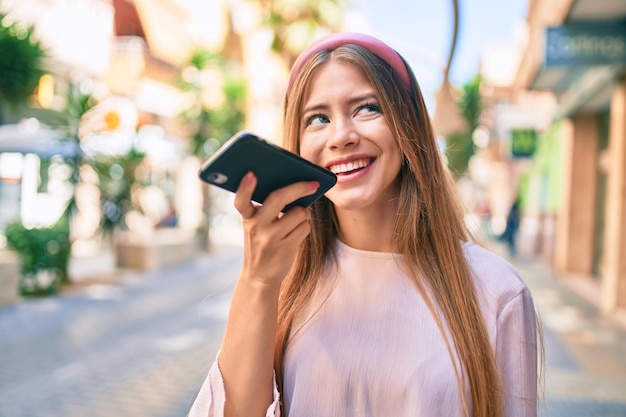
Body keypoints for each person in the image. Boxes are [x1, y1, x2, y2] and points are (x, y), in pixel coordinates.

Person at [189, 32, 539, 417]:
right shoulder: (285, 283)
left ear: (408, 126)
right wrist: (257, 282)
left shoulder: (497, 292)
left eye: (366, 109)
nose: (341, 136)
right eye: (318, 118)